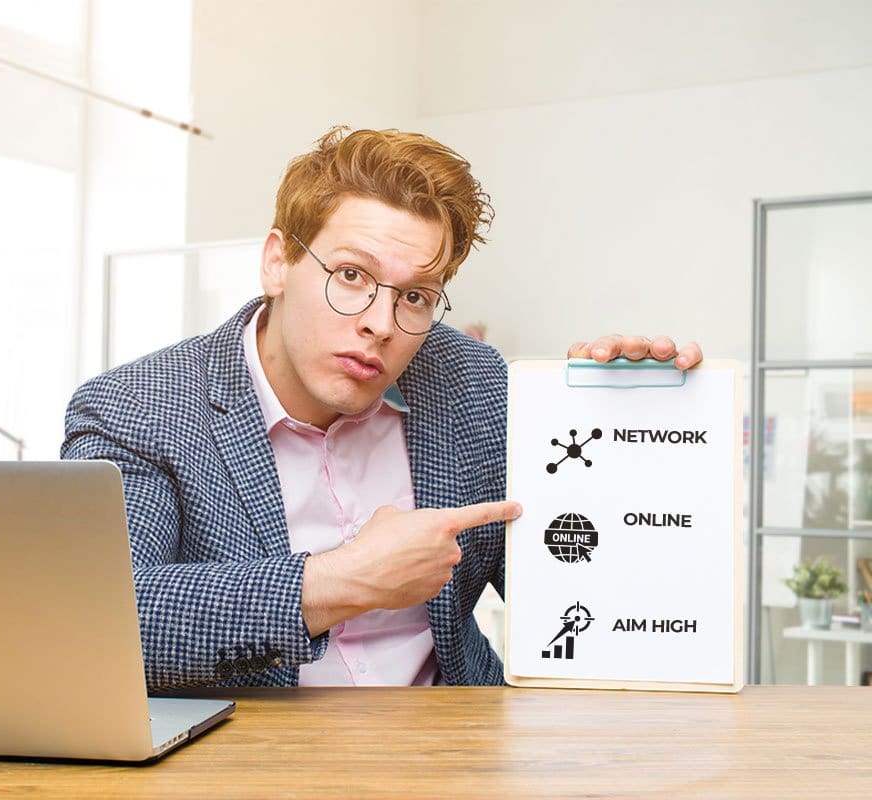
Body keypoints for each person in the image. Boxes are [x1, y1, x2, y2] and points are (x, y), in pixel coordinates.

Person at [61, 126, 701, 690]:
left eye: (417, 296)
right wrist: (342, 582)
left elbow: (573, 580)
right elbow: (105, 617)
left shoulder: (472, 381)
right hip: (246, 761)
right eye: (351, 276)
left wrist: (627, 430)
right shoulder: (138, 406)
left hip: (453, 752)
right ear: (277, 263)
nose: (381, 325)